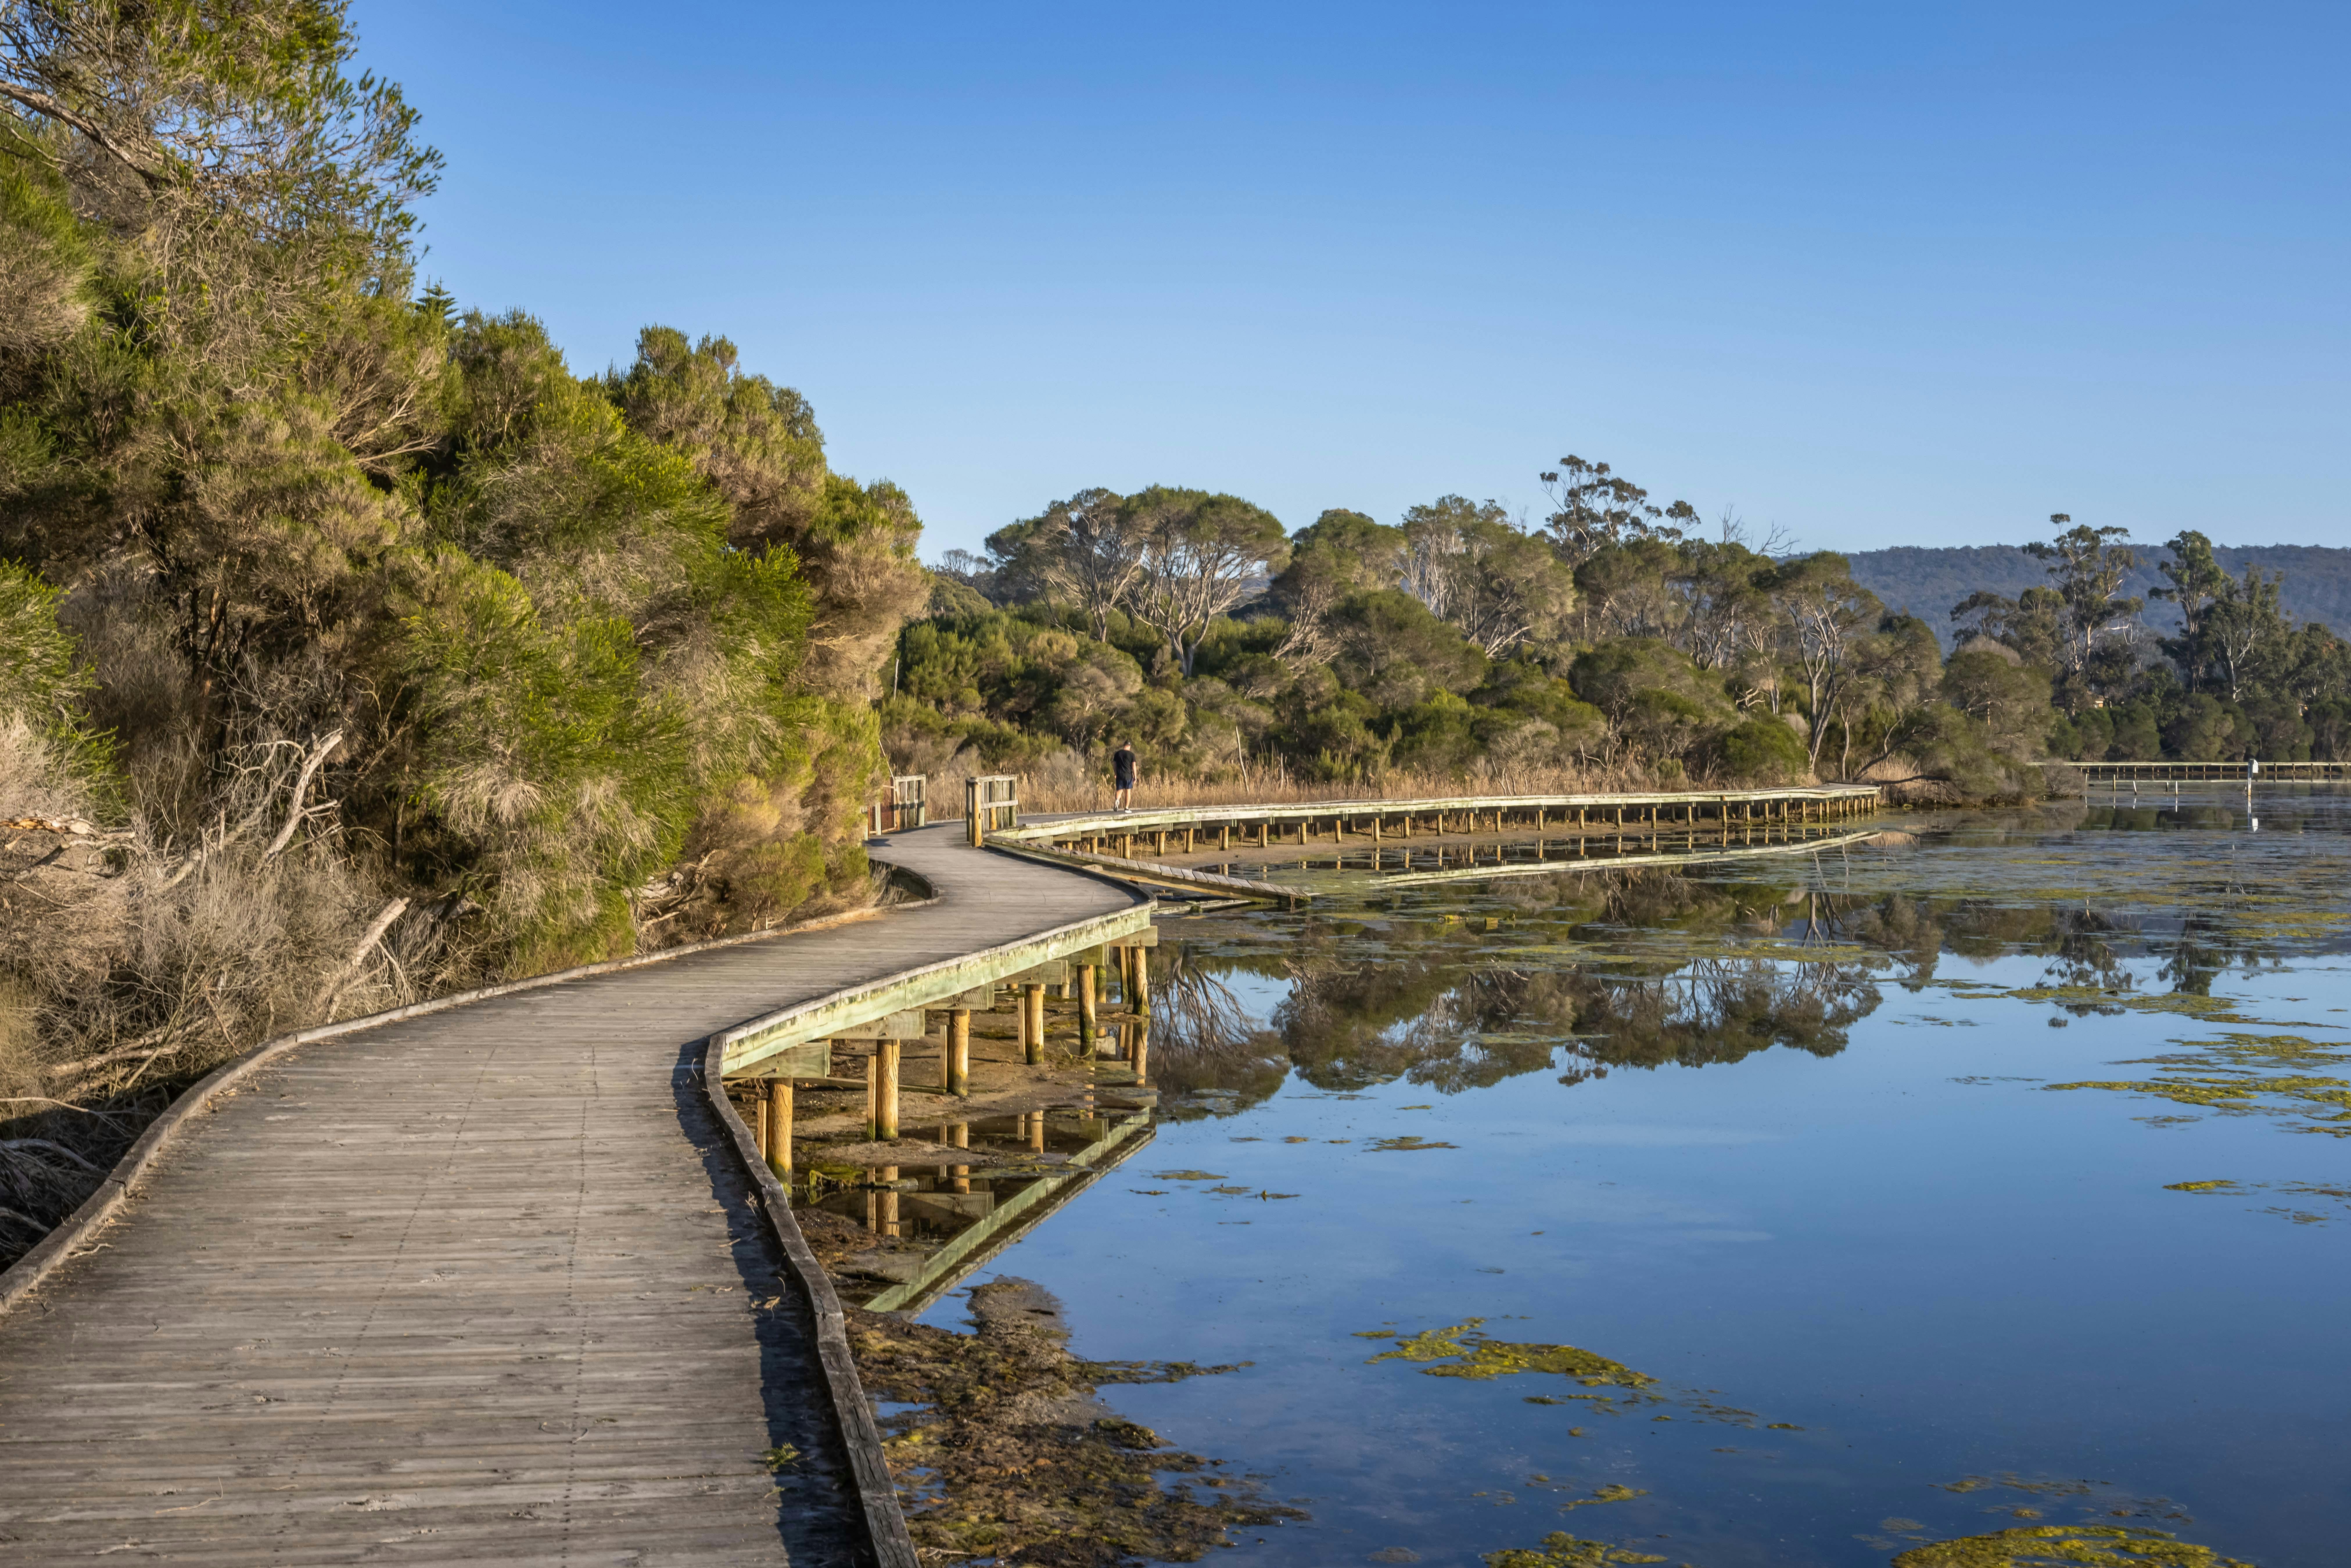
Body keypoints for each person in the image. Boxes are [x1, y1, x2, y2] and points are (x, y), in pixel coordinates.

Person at [1111, 739, 1137, 812]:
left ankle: (1117, 800)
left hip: (1120, 775)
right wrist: (1135, 776)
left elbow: (1115, 765)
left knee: (1120, 790)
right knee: (1128, 791)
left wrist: (1116, 773)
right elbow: (1134, 766)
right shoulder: (1132, 755)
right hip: (1128, 776)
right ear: (1129, 746)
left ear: (1124, 745)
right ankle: (1127, 808)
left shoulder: (1118, 754)